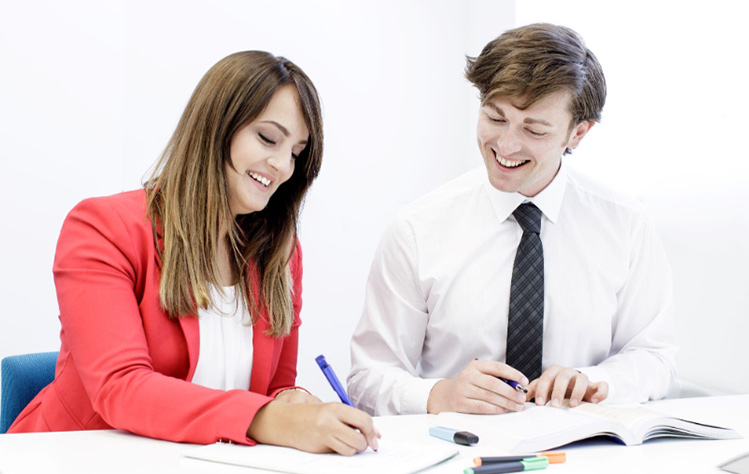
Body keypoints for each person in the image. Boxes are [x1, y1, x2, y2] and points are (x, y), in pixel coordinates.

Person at [9, 51, 379, 455]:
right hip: (78, 459)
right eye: (268, 138)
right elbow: (121, 388)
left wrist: (293, 402)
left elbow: (274, 388)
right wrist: (270, 418)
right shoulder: (103, 228)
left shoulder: (281, 253)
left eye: (296, 152)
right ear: (215, 127)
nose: (282, 166)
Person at [348, 23, 677, 416]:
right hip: (456, 451)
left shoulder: (626, 225)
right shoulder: (417, 229)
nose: (506, 145)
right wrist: (441, 395)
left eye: (534, 130)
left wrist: (596, 382)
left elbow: (654, 356)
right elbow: (368, 376)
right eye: (495, 118)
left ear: (578, 134)